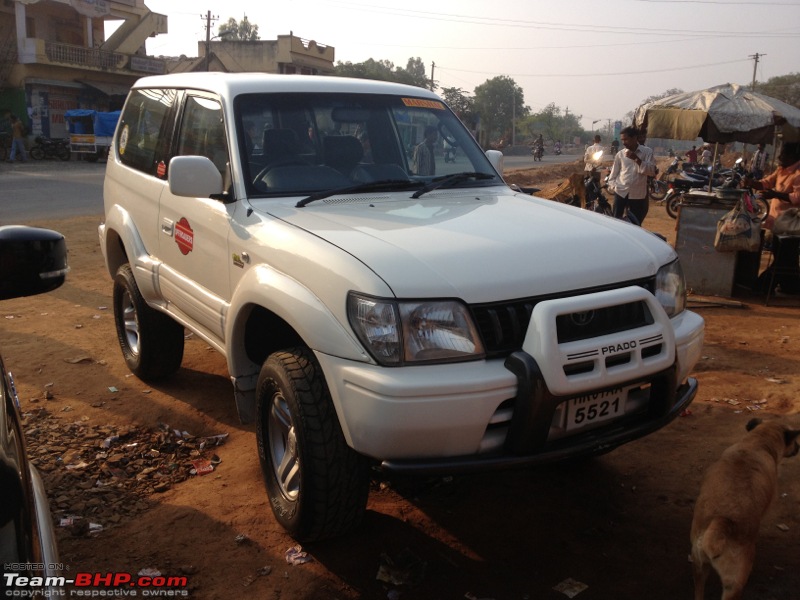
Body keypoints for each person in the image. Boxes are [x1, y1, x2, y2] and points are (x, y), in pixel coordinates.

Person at [742, 142, 800, 293]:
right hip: (776, 222)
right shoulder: (782, 170)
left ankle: (761, 287)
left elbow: (797, 197)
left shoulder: (798, 174)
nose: (780, 157)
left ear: (793, 156)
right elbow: (766, 183)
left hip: (790, 226)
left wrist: (775, 194)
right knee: (787, 258)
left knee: (783, 258)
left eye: (784, 154)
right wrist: (751, 183)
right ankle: (791, 287)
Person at [606, 125, 656, 226]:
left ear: (634, 138)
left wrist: (636, 159)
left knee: (635, 224)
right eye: (622, 140)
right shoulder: (620, 154)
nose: (624, 142)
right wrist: (614, 187)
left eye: (626, 139)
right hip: (621, 192)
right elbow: (613, 174)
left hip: (638, 194)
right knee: (616, 222)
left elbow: (651, 171)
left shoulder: (647, 152)